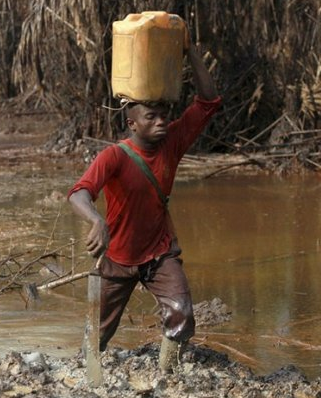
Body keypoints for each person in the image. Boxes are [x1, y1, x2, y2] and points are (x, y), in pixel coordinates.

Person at [68, 42, 220, 372]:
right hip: (119, 257)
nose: (162, 122)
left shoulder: (173, 142)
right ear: (132, 124)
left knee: (182, 312)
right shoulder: (115, 156)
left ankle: (168, 374)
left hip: (159, 253)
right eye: (151, 117)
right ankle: (85, 376)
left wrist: (192, 51)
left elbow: (208, 101)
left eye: (164, 115)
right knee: (99, 332)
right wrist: (97, 220)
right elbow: (79, 193)